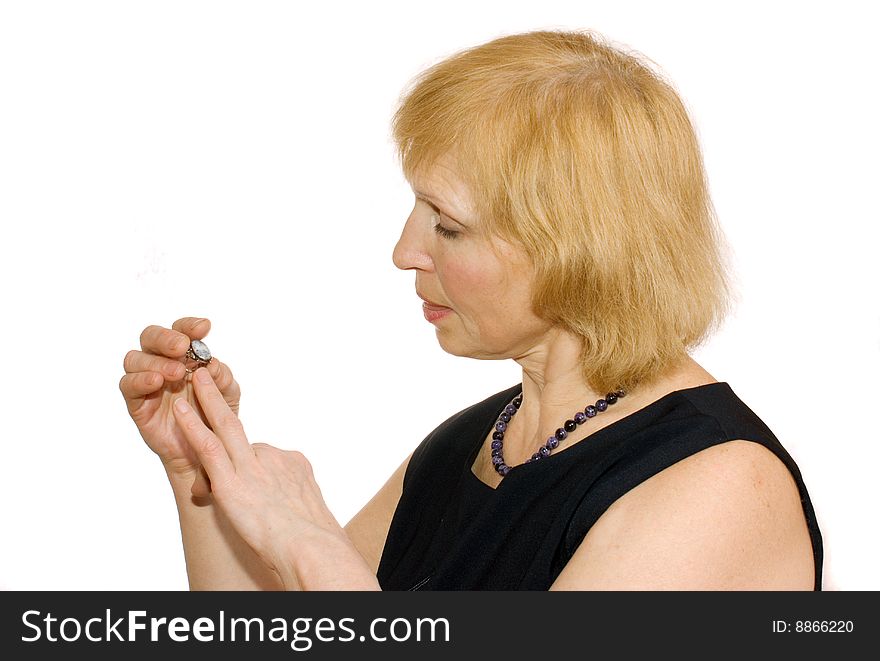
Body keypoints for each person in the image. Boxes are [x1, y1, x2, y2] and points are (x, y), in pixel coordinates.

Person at [119, 29, 823, 590]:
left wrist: (312, 547)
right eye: (416, 209)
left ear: (579, 248)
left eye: (447, 225)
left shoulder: (717, 487)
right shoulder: (471, 445)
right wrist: (199, 467)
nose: (404, 251)